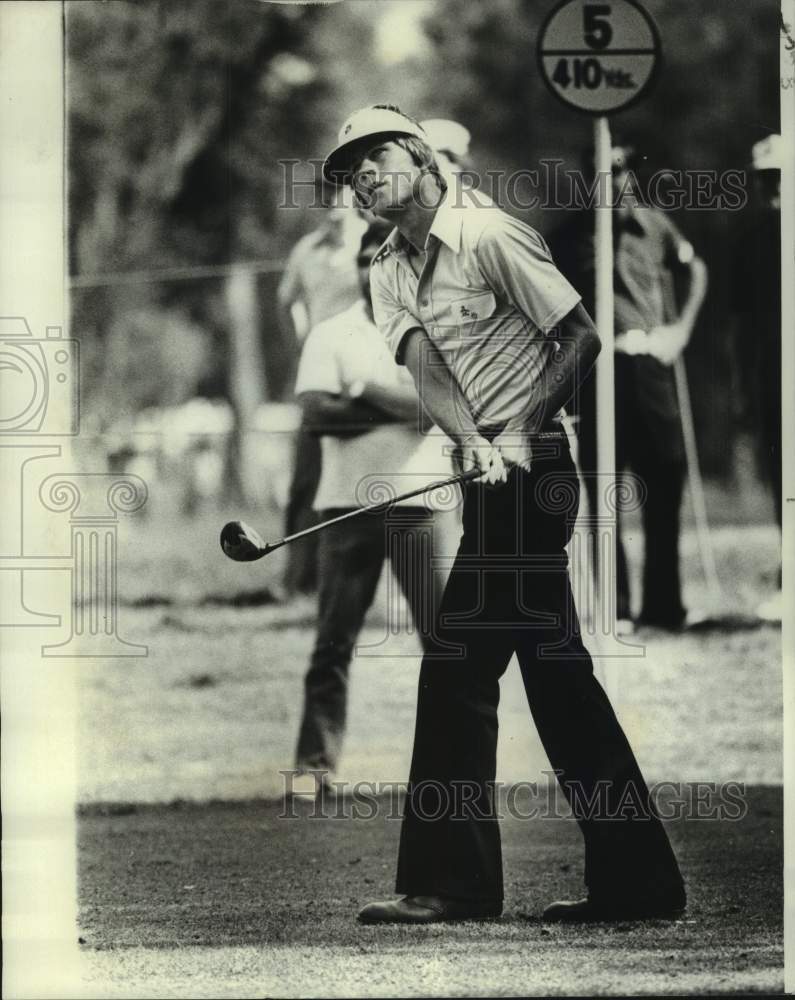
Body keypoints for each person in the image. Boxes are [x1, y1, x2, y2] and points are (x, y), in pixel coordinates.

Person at [323, 105, 686, 924]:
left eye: (374, 157)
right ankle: (636, 885)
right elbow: (429, 371)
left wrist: (516, 432)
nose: (363, 178)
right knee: (549, 676)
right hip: (488, 475)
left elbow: (580, 337)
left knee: (461, 666)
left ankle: (457, 886)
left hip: (538, 470)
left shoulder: (489, 236)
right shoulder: (385, 268)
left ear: (418, 155)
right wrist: (468, 440)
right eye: (349, 172)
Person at [292, 220, 454, 793]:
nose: (369, 270)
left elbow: (439, 411)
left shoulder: (431, 328)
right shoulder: (330, 333)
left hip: (420, 501)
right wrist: (401, 405)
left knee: (442, 642)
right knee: (333, 642)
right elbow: (315, 415)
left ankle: (449, 767)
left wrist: (361, 392)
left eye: (380, 259)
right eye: (362, 260)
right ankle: (314, 767)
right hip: (344, 505)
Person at [551, 143, 708, 632]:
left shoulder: (654, 224)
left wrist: (679, 332)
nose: (614, 182)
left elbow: (695, 269)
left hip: (650, 363)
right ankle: (616, 608)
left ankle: (665, 607)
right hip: (597, 367)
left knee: (665, 476)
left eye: (620, 172)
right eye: (602, 173)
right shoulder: (569, 233)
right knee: (602, 486)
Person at [277, 184, 367, 597]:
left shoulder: (373, 244)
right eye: (327, 196)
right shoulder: (306, 250)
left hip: (366, 371)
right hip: (320, 373)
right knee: (306, 479)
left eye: (342, 195)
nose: (334, 205)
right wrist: (301, 342)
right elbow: (286, 301)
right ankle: (298, 579)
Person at [732, 135, 782, 622]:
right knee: (783, 474)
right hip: (771, 374)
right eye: (765, 178)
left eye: (780, 177)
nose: (772, 187)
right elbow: (741, 322)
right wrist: (742, 385)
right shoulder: (749, 240)